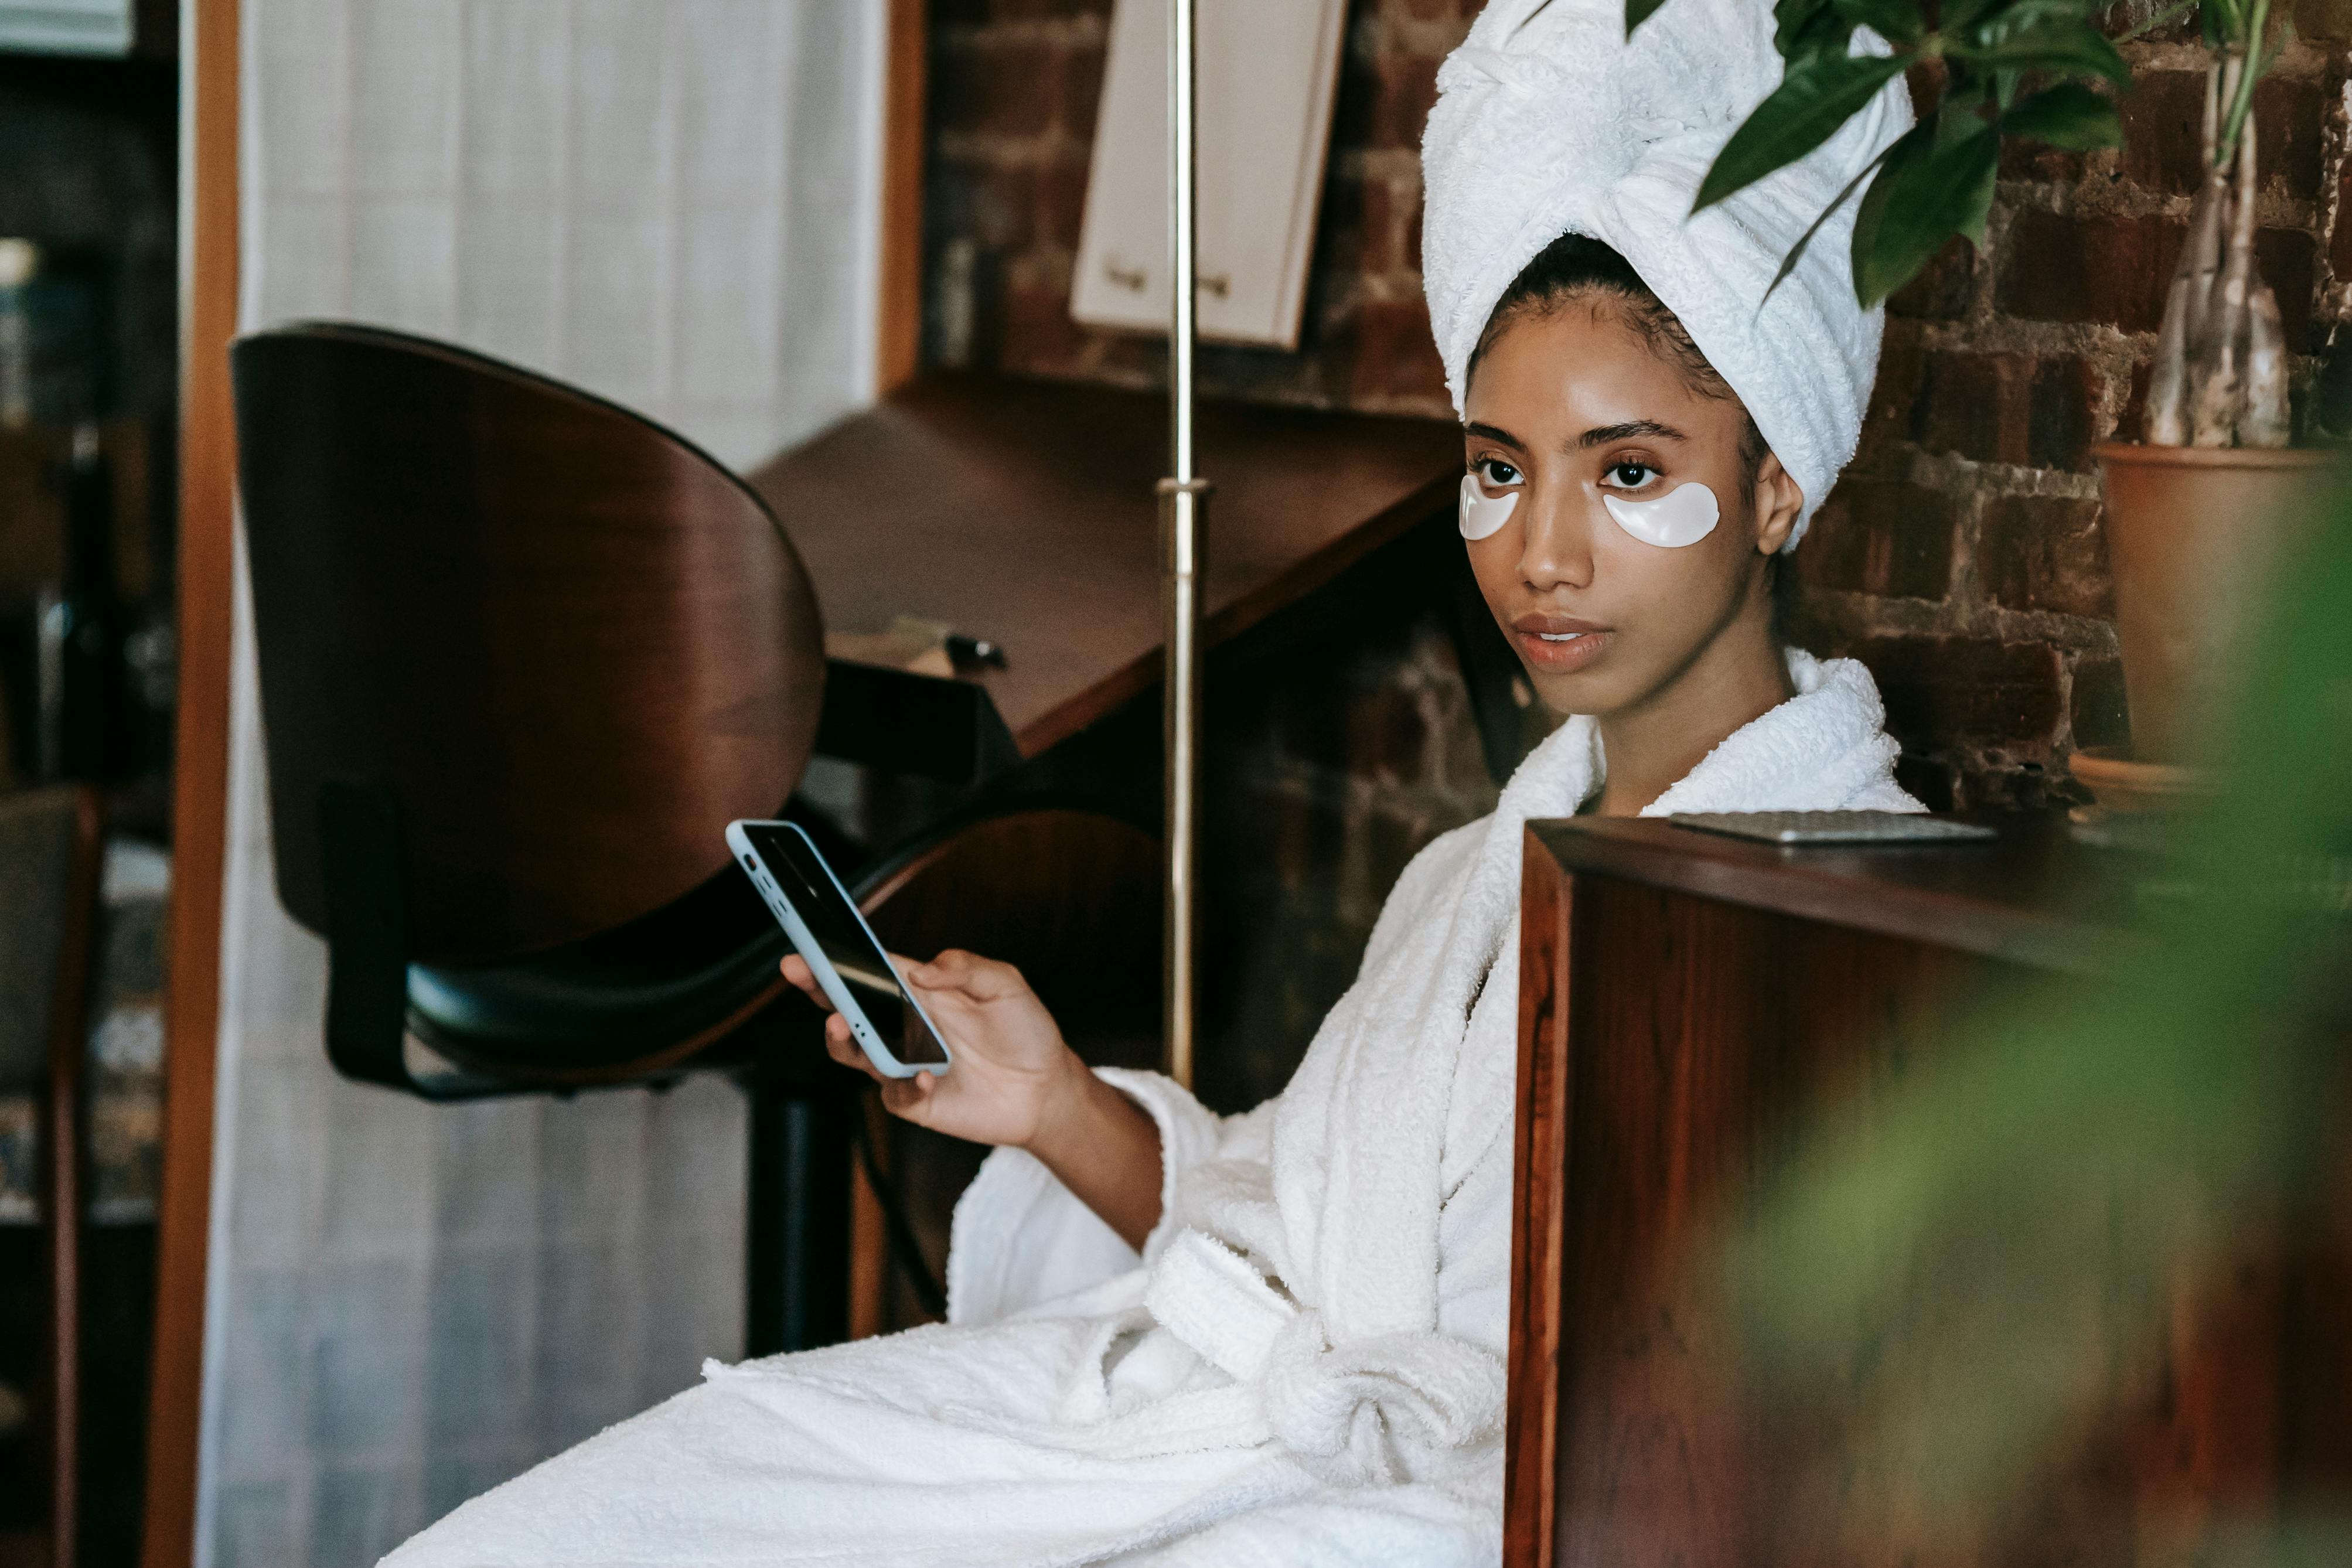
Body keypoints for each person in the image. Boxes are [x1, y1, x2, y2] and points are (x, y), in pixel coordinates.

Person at [383, 1, 1915, 1563]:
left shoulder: (1824, 914)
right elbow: (1295, 1244)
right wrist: (1050, 1104)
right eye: (1500, 468)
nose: (1542, 550)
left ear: (1776, 484)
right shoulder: (1481, 867)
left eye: (1630, 471)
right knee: (624, 1505)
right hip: (1239, 1420)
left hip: (1430, 1514)